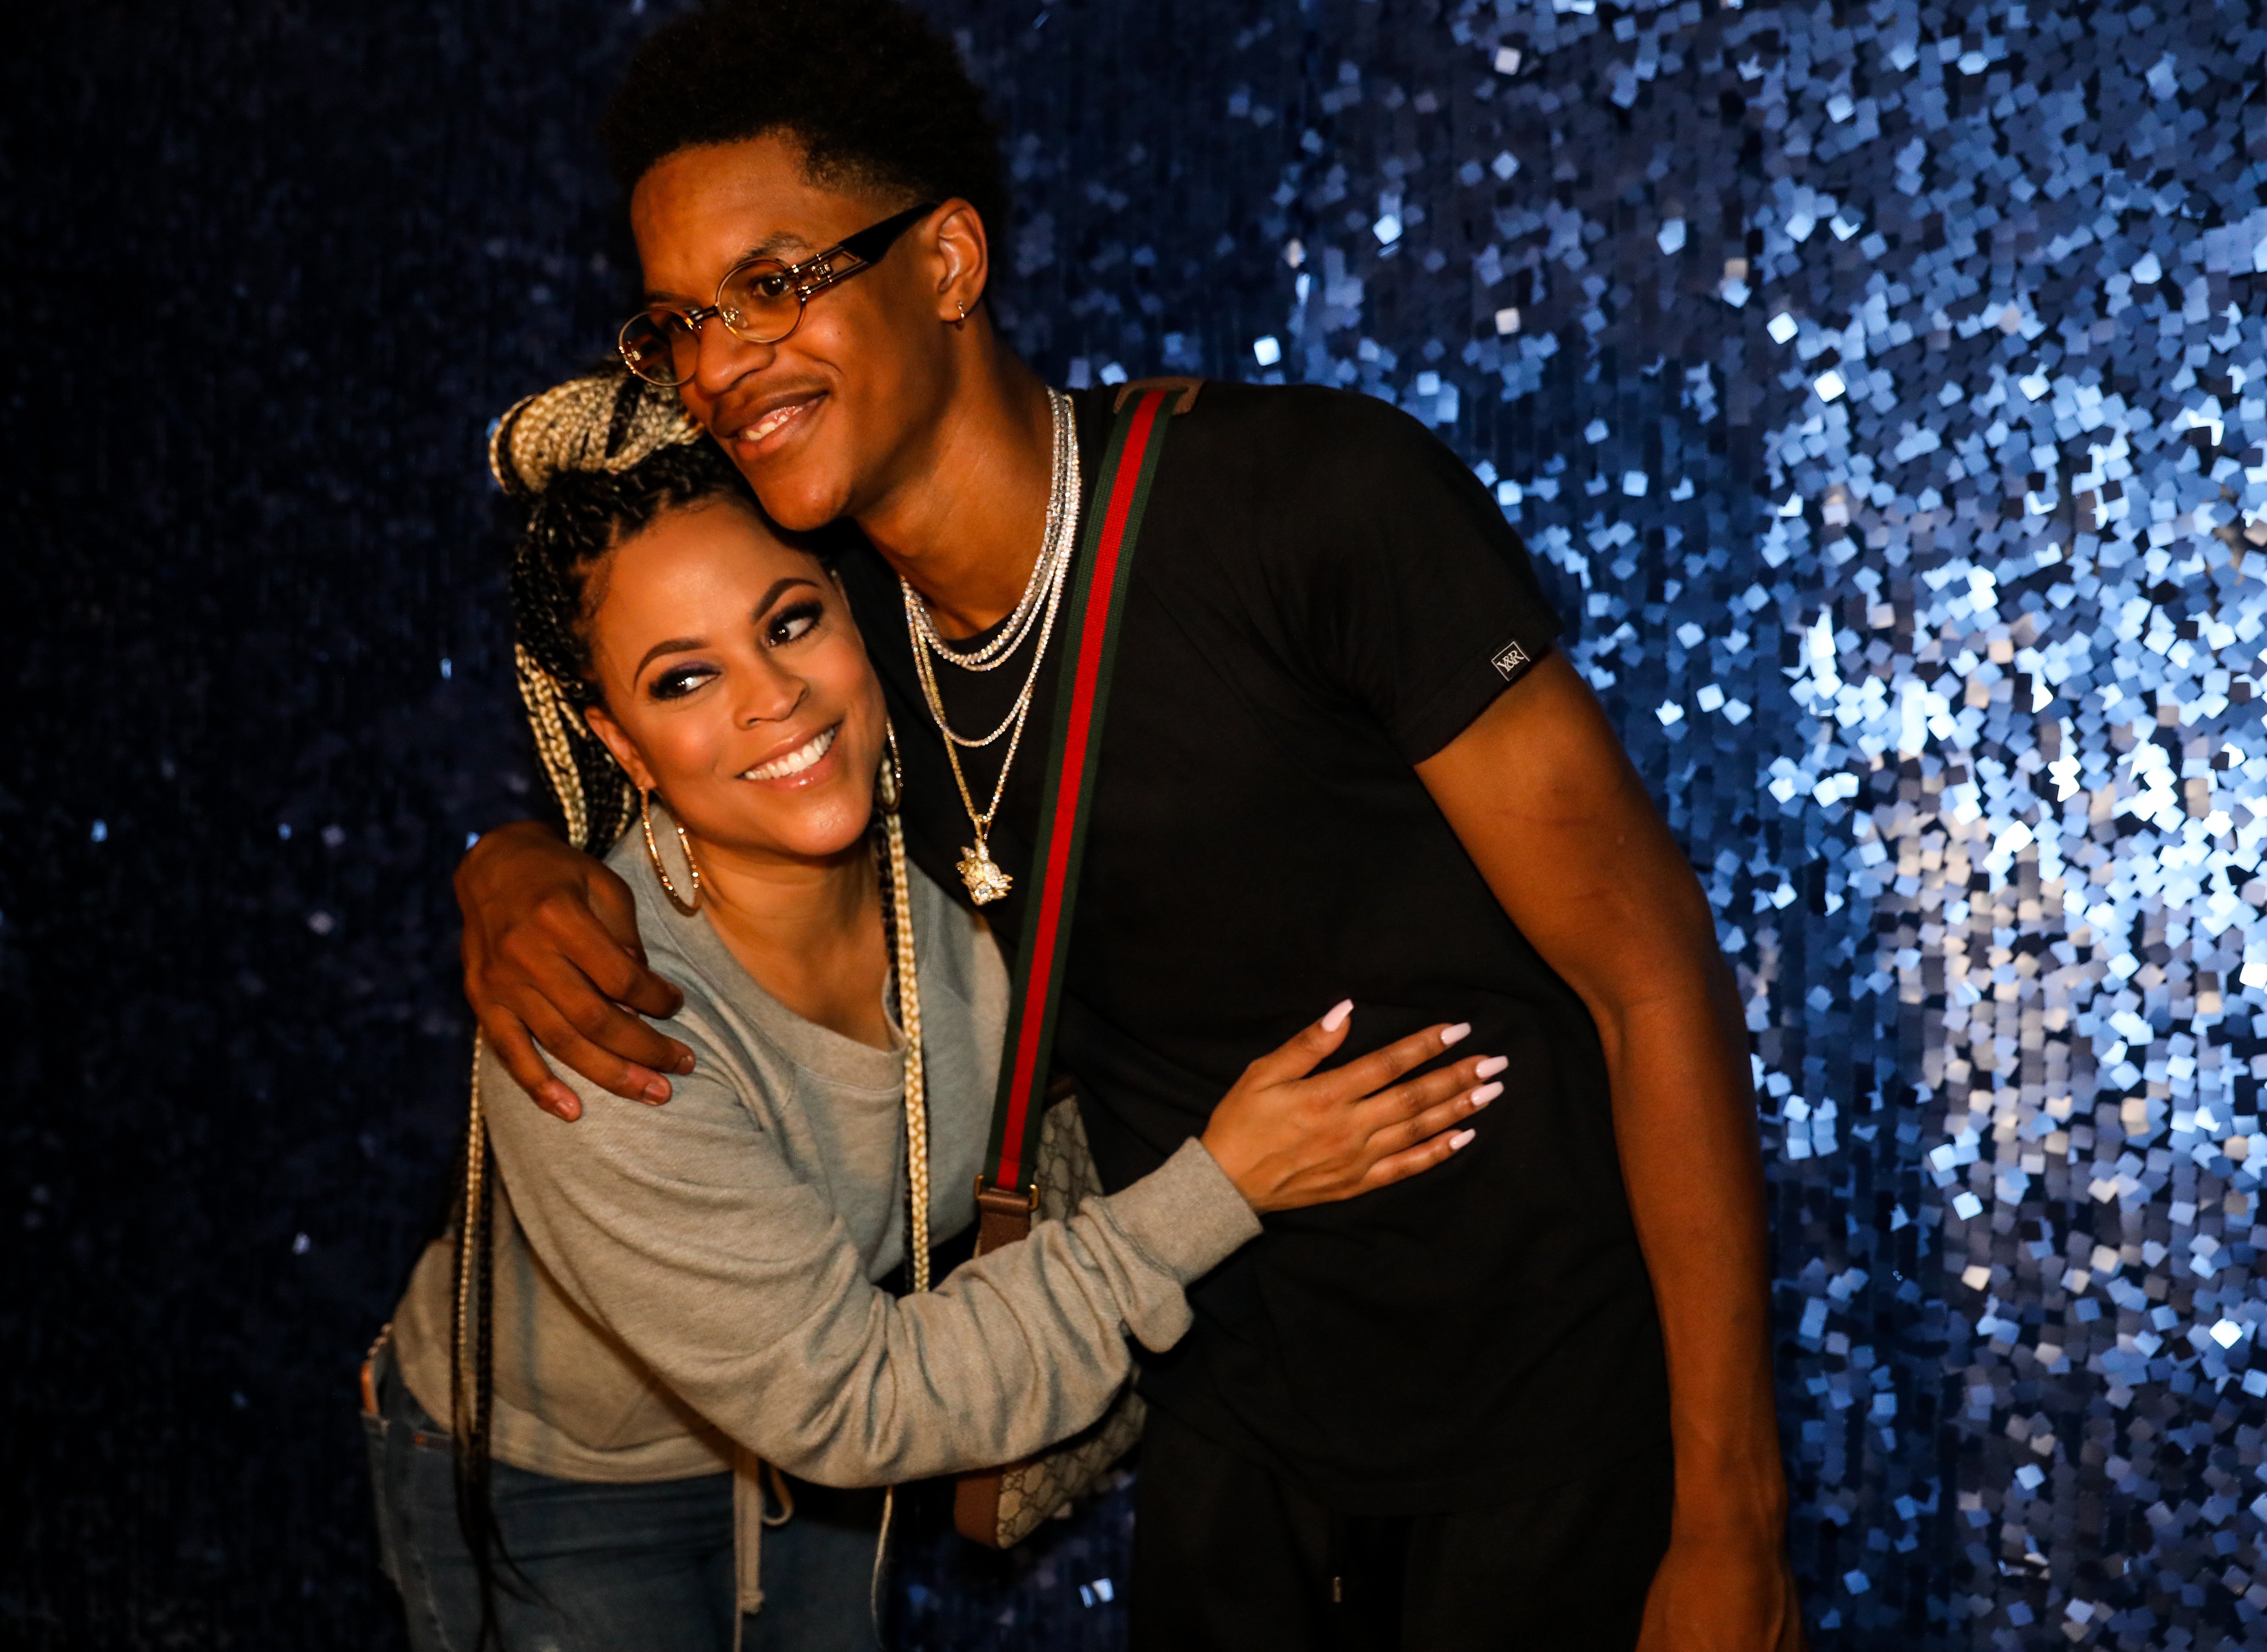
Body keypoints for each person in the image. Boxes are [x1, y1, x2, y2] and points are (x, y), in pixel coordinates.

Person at [455, 2, 1802, 1645]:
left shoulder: (1313, 504)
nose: (725, 365)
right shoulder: (829, 648)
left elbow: (1652, 976)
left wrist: (1730, 1518)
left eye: (776, 283)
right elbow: (619, 788)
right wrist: (502, 871)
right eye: (680, 321)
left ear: (948, 263)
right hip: (1238, 1440)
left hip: (1541, 1430)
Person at [367, 371, 1495, 1652]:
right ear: (616, 739)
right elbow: (854, 1400)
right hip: (562, 1480)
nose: (771, 699)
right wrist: (1220, 1188)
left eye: (789, 622)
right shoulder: (602, 1020)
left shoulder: (969, 850)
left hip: (818, 1471)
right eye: (682, 681)